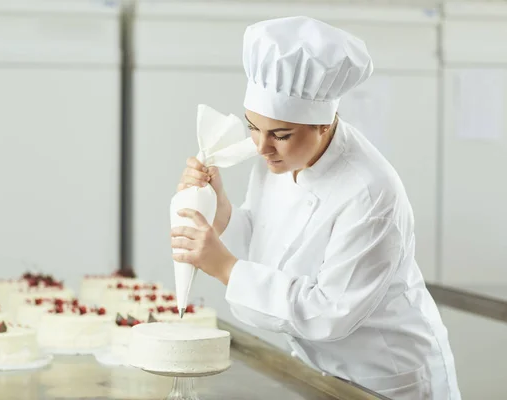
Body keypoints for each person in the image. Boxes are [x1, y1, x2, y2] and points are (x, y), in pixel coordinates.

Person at [170, 16, 461, 399]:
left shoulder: (370, 192)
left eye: (281, 134)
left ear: (323, 125)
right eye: (253, 127)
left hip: (385, 377)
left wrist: (224, 267)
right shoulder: (278, 157)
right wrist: (221, 209)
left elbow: (329, 313)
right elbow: (267, 236)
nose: (261, 147)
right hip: (320, 370)